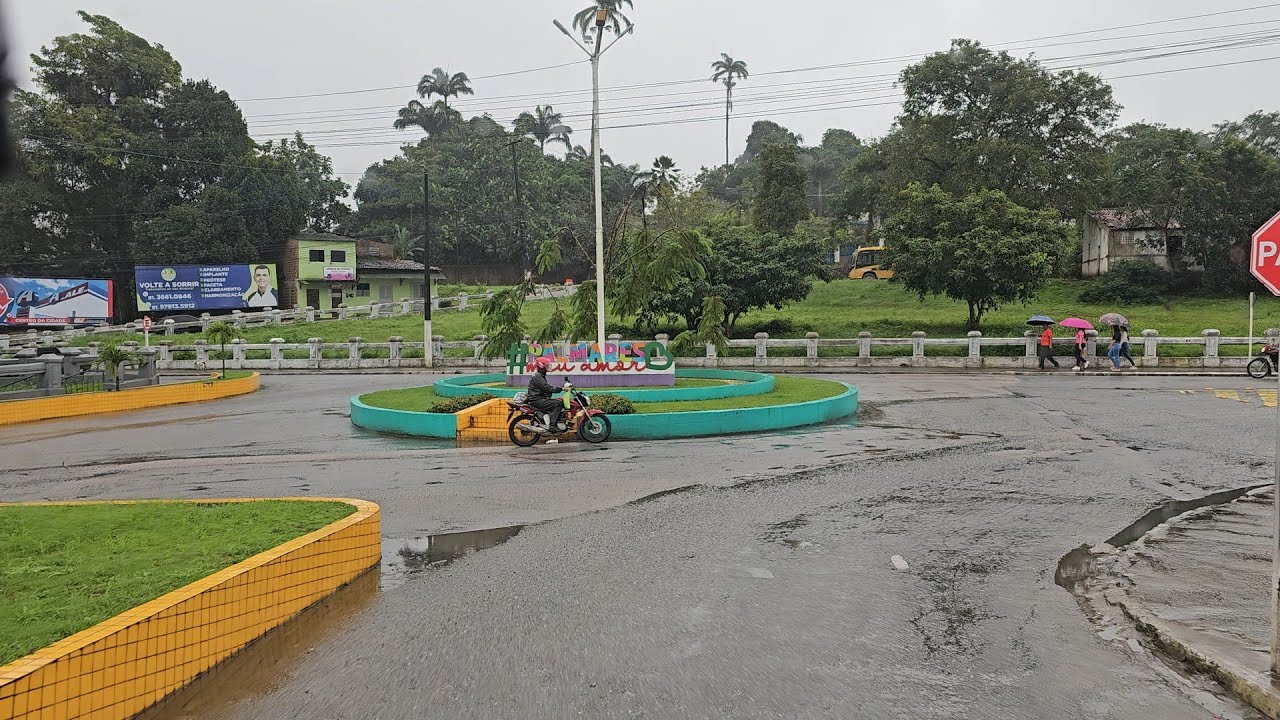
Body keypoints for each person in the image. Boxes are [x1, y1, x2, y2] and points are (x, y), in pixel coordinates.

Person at [527, 356, 566, 431]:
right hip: (537, 400)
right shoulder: (537, 376)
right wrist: (561, 389)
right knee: (558, 403)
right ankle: (552, 425)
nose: (548, 367)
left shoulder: (540, 376)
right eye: (547, 365)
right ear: (541, 366)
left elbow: (546, 387)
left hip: (539, 399)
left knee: (558, 401)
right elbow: (547, 387)